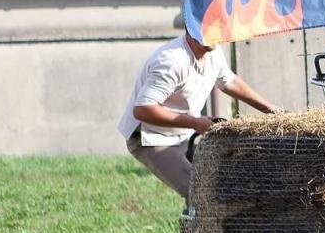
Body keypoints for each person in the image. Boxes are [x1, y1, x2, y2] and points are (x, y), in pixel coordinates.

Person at [118, 26, 281, 198]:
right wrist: (195, 123)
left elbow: (229, 81)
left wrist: (272, 110)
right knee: (202, 195)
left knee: (228, 182)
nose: (215, 35)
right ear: (190, 28)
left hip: (184, 133)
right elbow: (143, 109)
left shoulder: (213, 51)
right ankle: (194, 221)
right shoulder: (171, 61)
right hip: (151, 138)